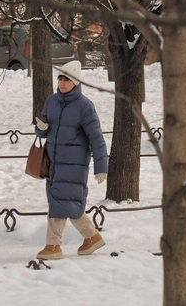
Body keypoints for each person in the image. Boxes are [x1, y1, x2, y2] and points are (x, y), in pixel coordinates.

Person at [34, 60, 109, 260]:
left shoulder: (85, 106)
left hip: (75, 164)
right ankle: (92, 237)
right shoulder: (51, 101)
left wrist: (101, 166)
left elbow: (96, 137)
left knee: (60, 202)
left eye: (67, 79)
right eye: (60, 78)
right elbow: (42, 128)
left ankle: (53, 246)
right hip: (53, 162)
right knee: (67, 203)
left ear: (75, 82)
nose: (62, 83)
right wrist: (40, 129)